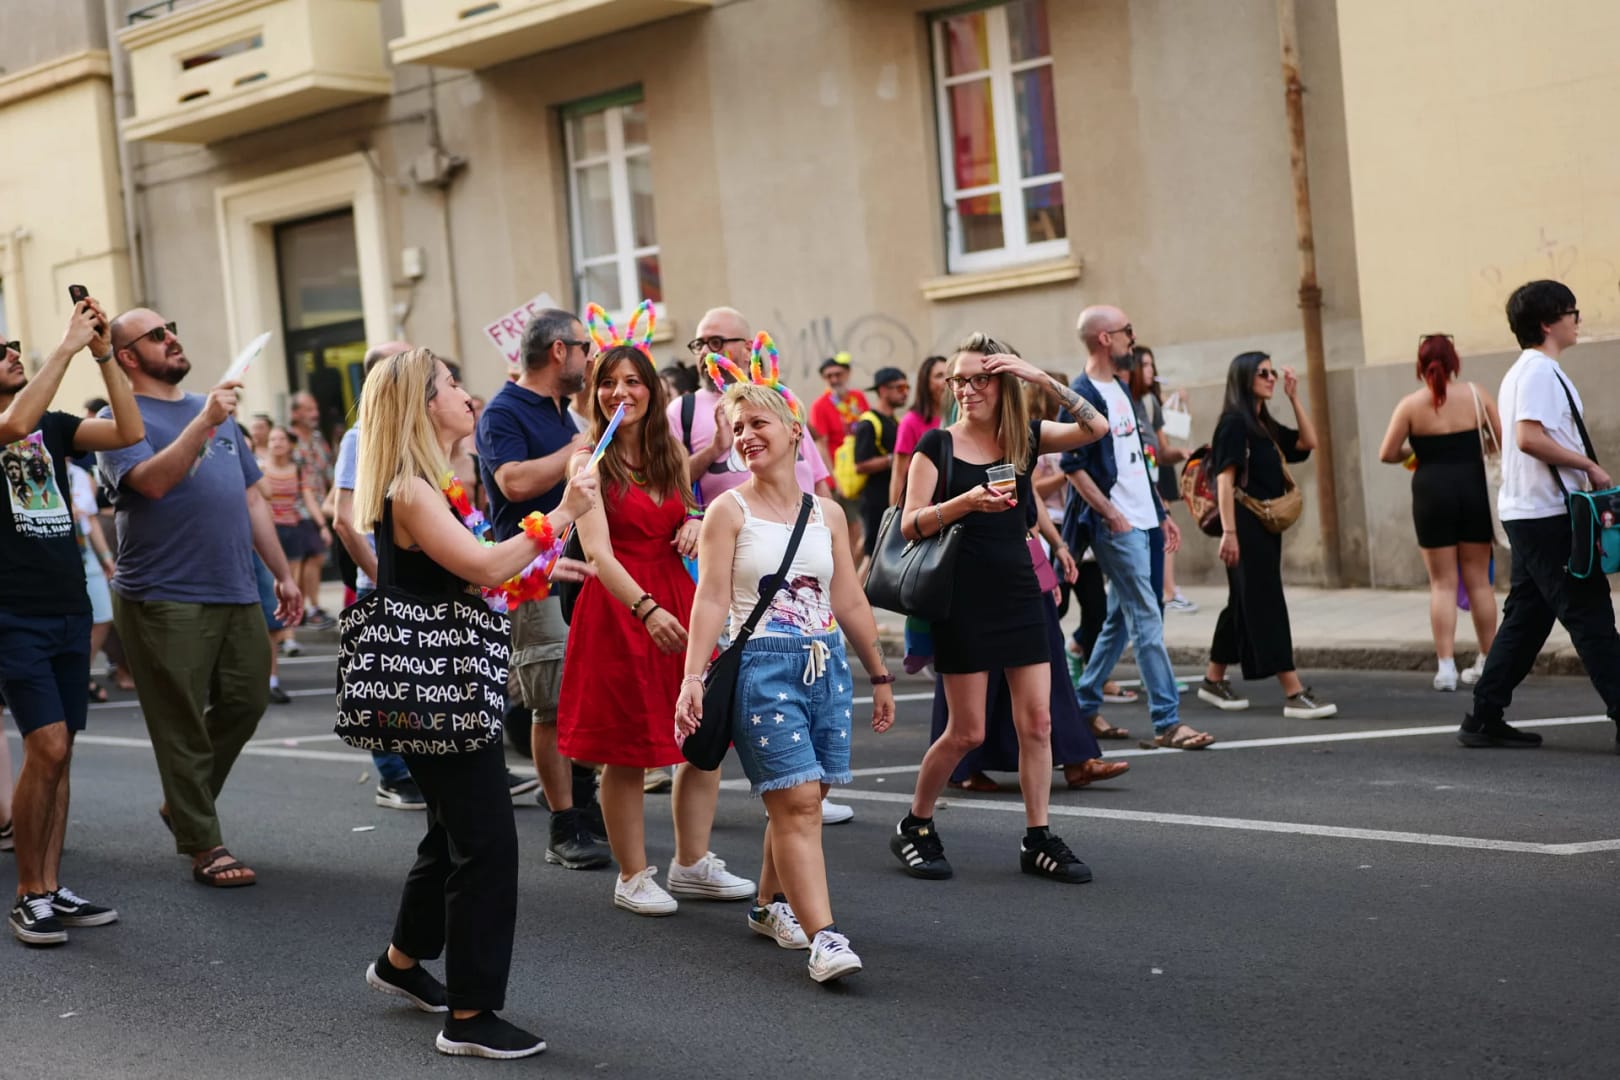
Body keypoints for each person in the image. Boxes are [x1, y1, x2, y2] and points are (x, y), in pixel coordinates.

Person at [353, 346, 597, 1060]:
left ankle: (402, 962)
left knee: (451, 831)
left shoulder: (430, 484)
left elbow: (483, 574)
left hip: (444, 683)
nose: (466, 394)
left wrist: (550, 552)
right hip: (437, 689)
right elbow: (486, 564)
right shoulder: (411, 490)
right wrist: (564, 510)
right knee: (486, 844)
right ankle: (469, 1016)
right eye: (451, 384)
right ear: (422, 405)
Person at [677, 374, 895, 983]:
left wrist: (878, 672)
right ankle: (825, 936)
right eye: (738, 428)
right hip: (763, 668)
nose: (745, 436)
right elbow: (711, 600)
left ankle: (771, 904)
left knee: (809, 795)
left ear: (794, 431)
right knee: (797, 803)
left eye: (757, 424)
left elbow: (847, 596)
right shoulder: (729, 509)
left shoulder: (825, 511)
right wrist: (693, 677)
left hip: (826, 666)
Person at [890, 333, 1109, 884]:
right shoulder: (935, 447)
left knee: (1037, 723)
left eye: (978, 378)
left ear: (1003, 382)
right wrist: (964, 503)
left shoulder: (1025, 439)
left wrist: (1041, 378)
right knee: (966, 732)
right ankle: (914, 825)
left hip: (1020, 595)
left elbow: (1095, 427)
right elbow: (909, 522)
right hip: (962, 600)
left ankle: (1037, 837)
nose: (965, 388)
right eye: (958, 379)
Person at [99, 308, 304, 887]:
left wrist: (282, 574)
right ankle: (203, 841)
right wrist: (206, 421)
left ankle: (184, 804)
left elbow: (253, 498)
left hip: (236, 584)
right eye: (156, 335)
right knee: (180, 722)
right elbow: (152, 482)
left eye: (171, 328)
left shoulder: (210, 410)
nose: (173, 338)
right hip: (163, 594)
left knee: (247, 700)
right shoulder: (119, 416)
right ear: (129, 356)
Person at [559, 339, 755, 915]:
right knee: (626, 751)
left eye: (633, 381)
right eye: (609, 383)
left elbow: (685, 507)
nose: (621, 393)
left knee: (701, 738)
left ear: (651, 388)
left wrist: (694, 522)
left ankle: (692, 864)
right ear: (596, 394)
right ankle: (632, 875)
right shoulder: (587, 461)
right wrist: (646, 609)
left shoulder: (668, 450)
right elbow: (597, 554)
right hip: (622, 609)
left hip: (679, 596)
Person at [672, 307, 849, 825]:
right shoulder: (682, 411)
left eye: (718, 341)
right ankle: (692, 856)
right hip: (718, 565)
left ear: (747, 346)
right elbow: (668, 485)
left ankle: (773, 898)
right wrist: (697, 497)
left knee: (798, 799)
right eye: (698, 342)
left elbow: (814, 491)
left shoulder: (783, 404)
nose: (706, 352)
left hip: (800, 599)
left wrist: (877, 675)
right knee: (709, 722)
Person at [3, 299, 142, 945]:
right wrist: (65, 345)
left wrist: (104, 352)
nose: (12, 352)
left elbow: (127, 432)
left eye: (14, 347)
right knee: (47, 745)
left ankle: (52, 886)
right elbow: (14, 425)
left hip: (66, 605)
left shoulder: (53, 427)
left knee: (61, 757)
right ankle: (29, 892)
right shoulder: (15, 424)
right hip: (12, 613)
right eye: (0, 351)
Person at [476, 310, 611, 868]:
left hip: (580, 567)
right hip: (532, 572)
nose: (590, 357)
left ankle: (583, 800)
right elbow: (513, 481)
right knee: (549, 703)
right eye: (585, 347)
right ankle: (562, 823)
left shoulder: (562, 411)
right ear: (559, 351)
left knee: (587, 693)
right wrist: (581, 448)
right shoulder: (504, 410)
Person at [1460, 280, 1620, 749]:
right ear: (1548, 323)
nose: (1578, 319)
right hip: (1547, 515)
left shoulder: (1530, 371)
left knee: (1528, 618)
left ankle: (1483, 717)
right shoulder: (1537, 374)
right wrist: (1589, 465)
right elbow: (1528, 437)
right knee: (1589, 613)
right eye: (1571, 311)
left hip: (1531, 512)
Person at [1061, 309, 1212, 751]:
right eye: (1128, 330)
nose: (1134, 337)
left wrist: (1161, 513)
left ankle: (1084, 704)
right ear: (1106, 338)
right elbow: (1073, 467)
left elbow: (1137, 457)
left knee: (1120, 621)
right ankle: (1167, 721)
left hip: (1145, 519)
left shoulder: (1123, 387)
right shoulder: (1080, 393)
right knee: (1147, 615)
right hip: (1116, 526)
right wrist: (1109, 512)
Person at [1197, 352, 1337, 720]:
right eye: (1263, 373)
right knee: (1266, 602)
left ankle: (1213, 679)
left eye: (1273, 372)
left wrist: (1293, 396)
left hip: (1261, 525)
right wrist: (1229, 533)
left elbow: (1308, 443)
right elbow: (1224, 481)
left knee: (1242, 600)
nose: (1271, 377)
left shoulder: (1263, 423)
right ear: (1245, 379)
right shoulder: (1233, 424)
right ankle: (1292, 690)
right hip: (1242, 525)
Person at [1377, 333, 1502, 691]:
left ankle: (1445, 668)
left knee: (1442, 583)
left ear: (1421, 366)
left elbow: (1387, 452)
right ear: (1454, 363)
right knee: (1479, 579)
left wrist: (1415, 454)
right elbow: (1500, 440)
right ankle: (1488, 659)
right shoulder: (1476, 395)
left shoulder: (1410, 405)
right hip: (1473, 488)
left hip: (1431, 490)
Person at [1132, 346, 1196, 613]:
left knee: (1163, 532)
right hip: (1135, 484)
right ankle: (1163, 592)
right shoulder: (1124, 400)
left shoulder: (1151, 402)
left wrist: (1181, 453)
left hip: (1154, 475)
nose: (1151, 370)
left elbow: (1161, 449)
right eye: (1145, 365)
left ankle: (1164, 592)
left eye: (1152, 365)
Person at [258, 425, 329, 659]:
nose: (276, 443)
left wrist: (322, 526)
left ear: (290, 445)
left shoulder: (297, 470)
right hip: (268, 533)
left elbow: (308, 499)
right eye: (272, 439)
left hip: (292, 530)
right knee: (270, 584)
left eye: (280, 439)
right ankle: (274, 634)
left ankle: (288, 637)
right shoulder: (260, 468)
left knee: (291, 585)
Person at [808, 353, 868, 555]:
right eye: (828, 376)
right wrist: (835, 480)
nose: (834, 379)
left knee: (863, 527)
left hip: (860, 473)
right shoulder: (820, 405)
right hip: (838, 478)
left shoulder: (858, 398)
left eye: (838, 374)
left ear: (848, 373)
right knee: (848, 529)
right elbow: (821, 446)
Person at [67, 461, 116, 703]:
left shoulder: (81, 476)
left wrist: (107, 557)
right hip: (55, 556)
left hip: (84, 552)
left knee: (103, 616)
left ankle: (79, 674)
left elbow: (92, 519)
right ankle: (69, 677)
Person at [851, 366, 907, 575]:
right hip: (875, 499)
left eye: (906, 387)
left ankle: (842, 581)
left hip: (887, 496)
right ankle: (851, 600)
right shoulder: (869, 422)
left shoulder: (895, 421)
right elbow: (860, 464)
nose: (905, 392)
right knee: (872, 552)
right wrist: (894, 460)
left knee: (867, 544)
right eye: (899, 387)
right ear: (883, 390)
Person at [288, 391, 335, 630]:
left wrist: (333, 501)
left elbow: (328, 472)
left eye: (314, 408)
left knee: (314, 557)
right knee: (311, 557)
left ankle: (308, 607)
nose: (314, 413)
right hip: (298, 510)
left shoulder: (317, 439)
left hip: (319, 506)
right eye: (307, 409)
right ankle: (309, 608)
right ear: (295, 413)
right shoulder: (289, 440)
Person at [888, 355, 948, 509]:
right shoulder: (910, 422)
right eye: (939, 376)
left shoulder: (958, 417)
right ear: (926, 383)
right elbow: (898, 474)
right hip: (923, 512)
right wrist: (898, 518)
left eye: (949, 374)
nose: (946, 380)